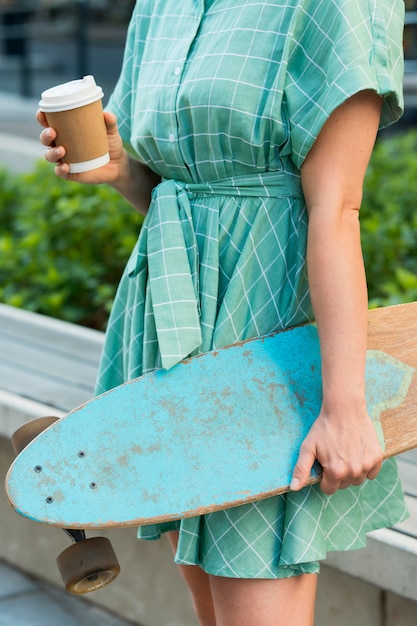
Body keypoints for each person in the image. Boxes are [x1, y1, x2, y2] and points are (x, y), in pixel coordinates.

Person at [38, 2, 409, 624]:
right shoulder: (161, 6)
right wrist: (121, 166)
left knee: (254, 589)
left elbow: (335, 209)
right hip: (169, 327)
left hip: (266, 328)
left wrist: (345, 406)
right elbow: (176, 191)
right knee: (212, 605)